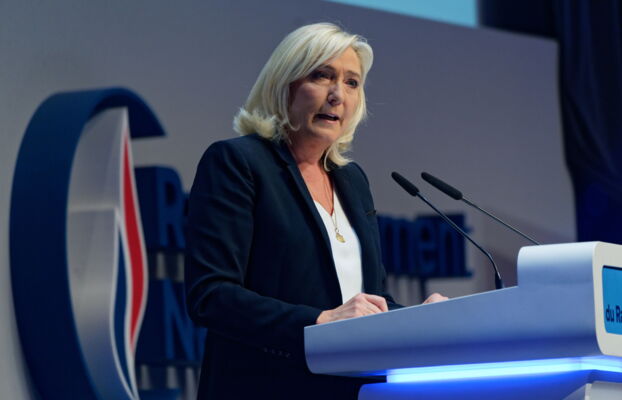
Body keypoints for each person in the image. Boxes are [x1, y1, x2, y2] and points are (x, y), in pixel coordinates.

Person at [185, 22, 447, 400]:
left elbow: (365, 300)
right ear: (284, 85)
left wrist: (418, 319)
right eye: (322, 76)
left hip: (354, 389)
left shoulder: (352, 180)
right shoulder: (238, 163)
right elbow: (211, 295)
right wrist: (320, 321)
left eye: (352, 82)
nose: (337, 95)